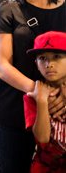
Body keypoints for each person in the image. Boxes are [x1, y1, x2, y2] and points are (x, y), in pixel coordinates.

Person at [0, 0, 66, 173]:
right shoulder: (9, 11)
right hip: (16, 110)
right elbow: (2, 64)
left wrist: (60, 95)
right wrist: (38, 91)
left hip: (63, 111)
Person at [24, 31, 66, 172]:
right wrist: (41, 102)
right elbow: (42, 138)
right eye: (43, 58)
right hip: (44, 167)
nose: (49, 64)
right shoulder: (32, 96)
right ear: (36, 63)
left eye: (57, 57)